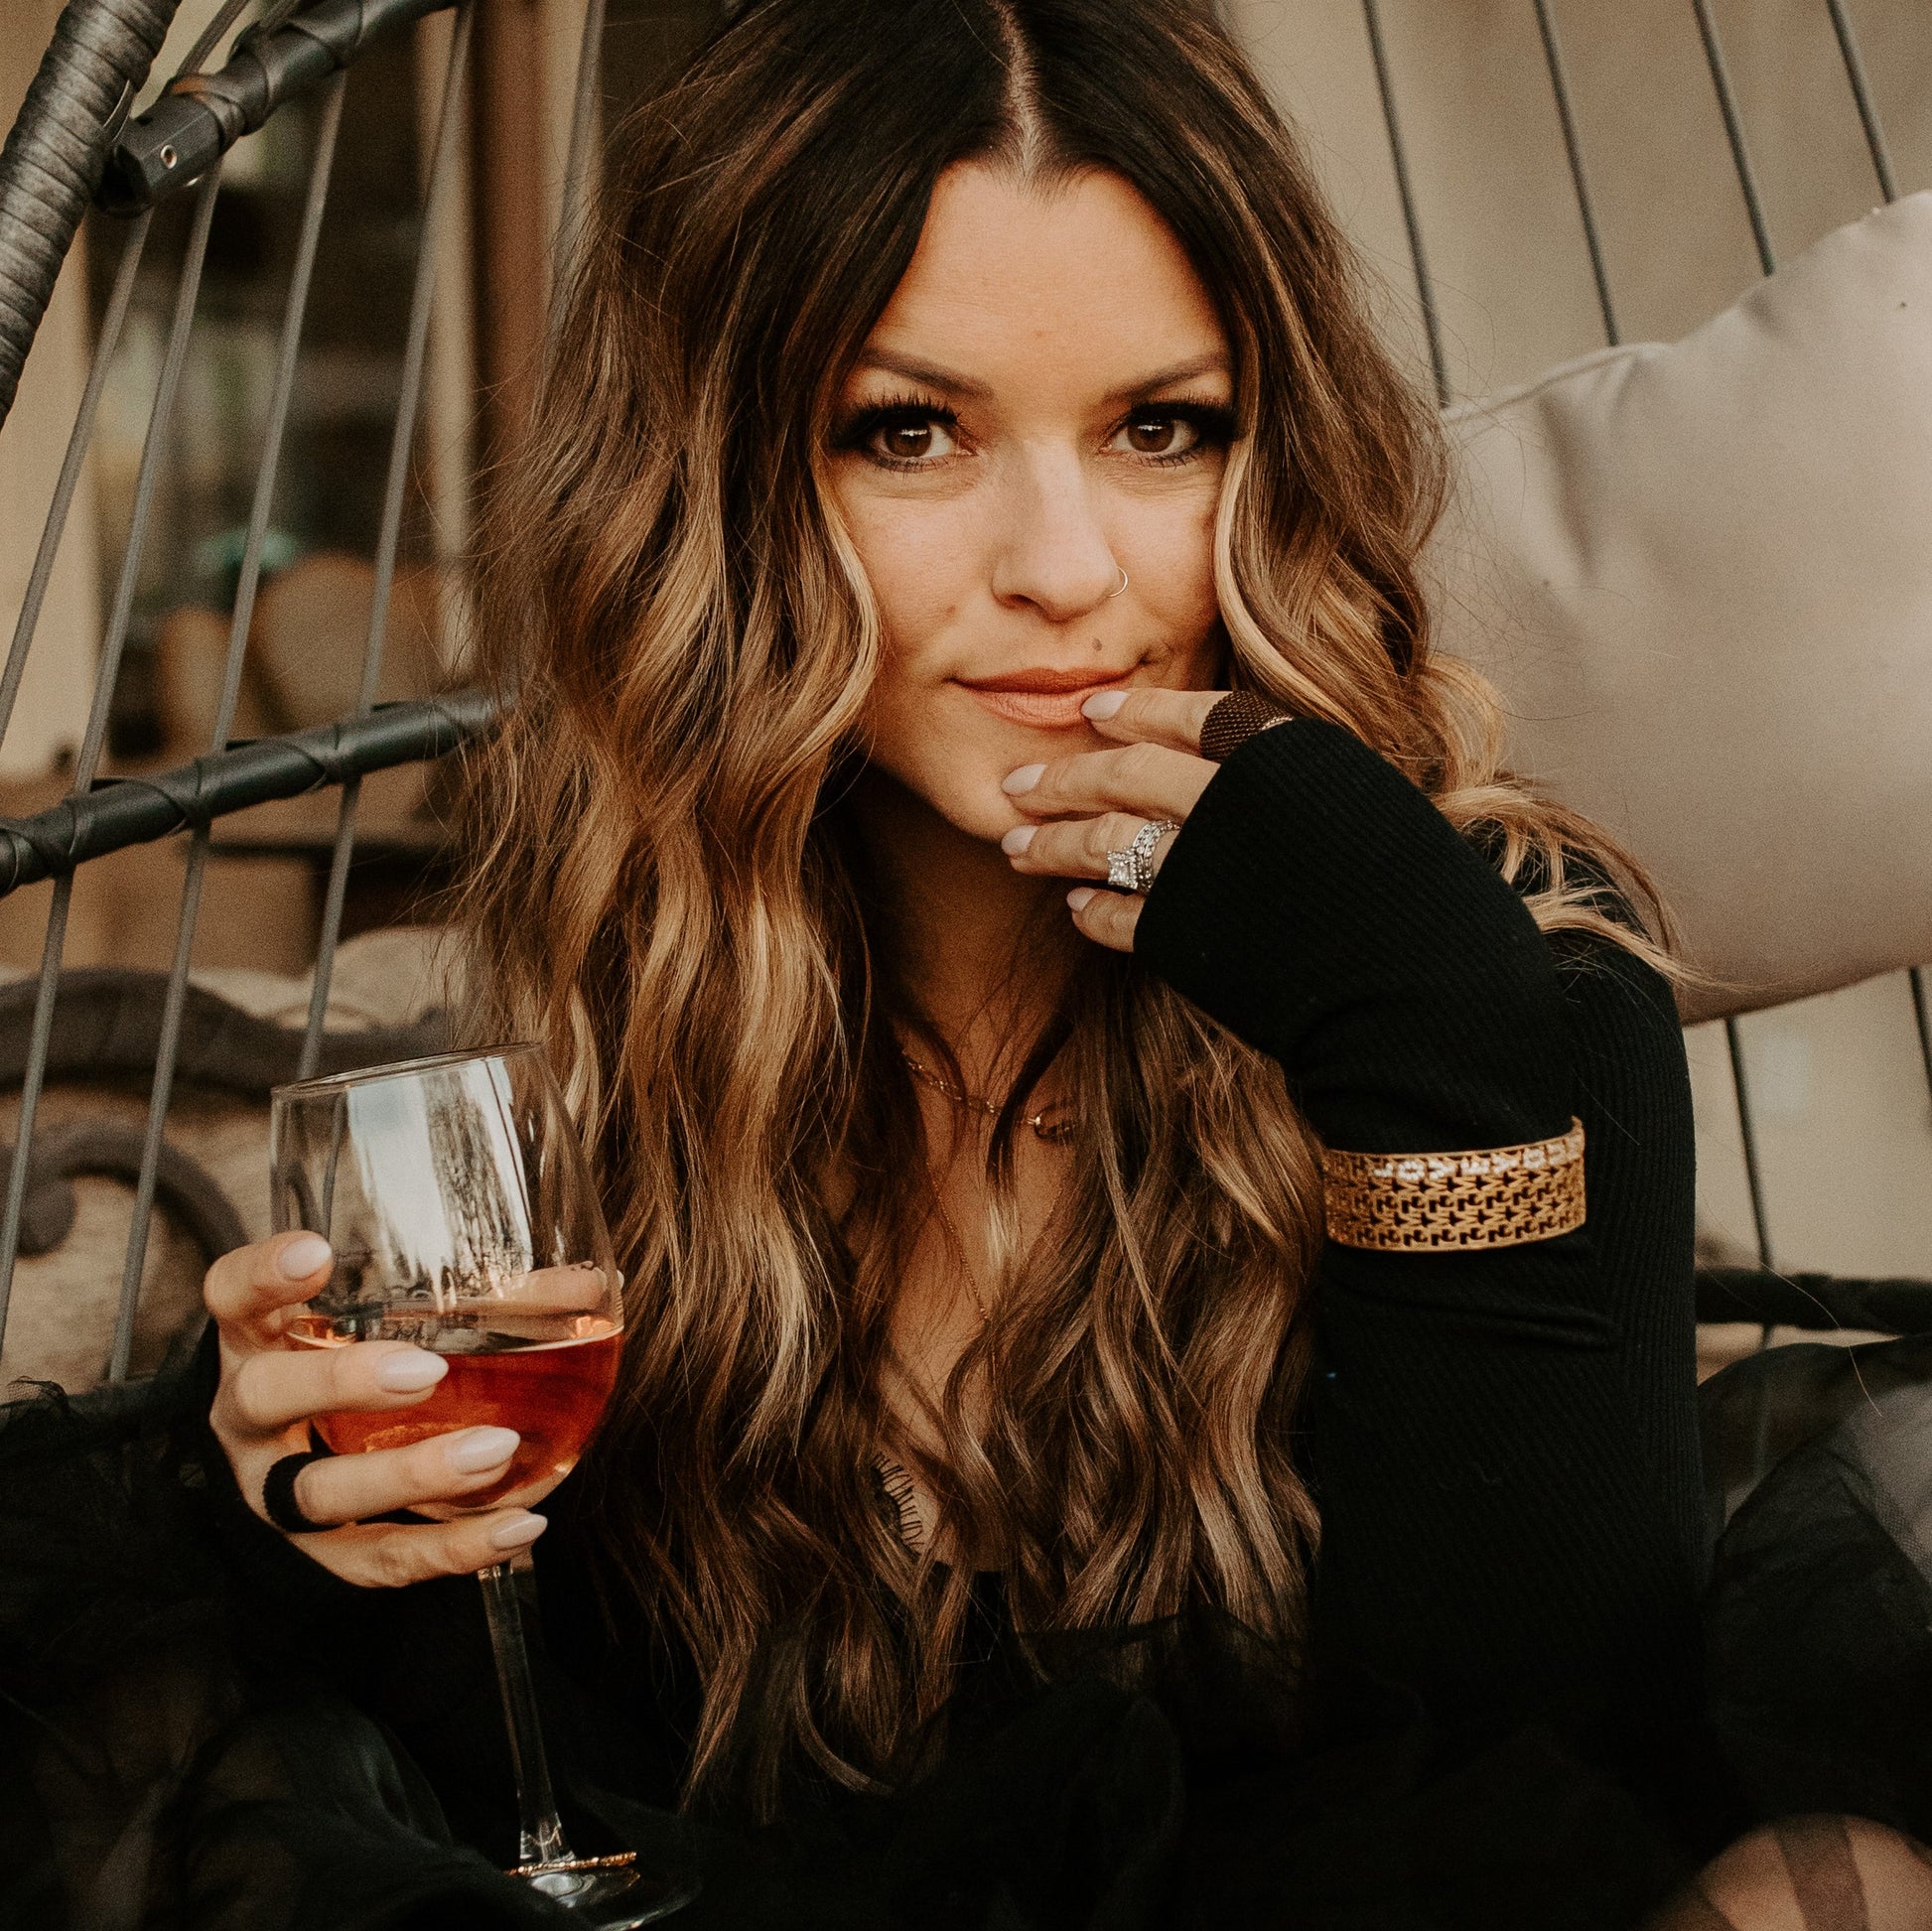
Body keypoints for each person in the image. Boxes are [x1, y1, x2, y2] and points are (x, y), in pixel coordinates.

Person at [7, 2, 1932, 1926]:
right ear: (727, 486)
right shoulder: (634, 1020)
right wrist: (325, 1526)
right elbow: (581, 1808)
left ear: (1268, 461)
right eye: (911, 431)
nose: (1063, 567)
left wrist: (1424, 1051)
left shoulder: (1503, 973)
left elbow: (1556, 1820)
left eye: (1160, 428)